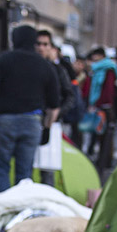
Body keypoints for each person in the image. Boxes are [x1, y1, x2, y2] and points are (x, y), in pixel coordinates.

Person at [0, 24, 59, 192]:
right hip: (32, 122)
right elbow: (54, 104)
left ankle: (4, 210)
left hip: (4, 120)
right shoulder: (45, 66)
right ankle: (21, 214)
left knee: (1, 168)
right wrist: (47, 127)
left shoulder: (5, 59)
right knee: (24, 173)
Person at [34, 30, 77, 185]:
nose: (41, 48)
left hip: (50, 124)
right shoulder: (28, 66)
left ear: (51, 47)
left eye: (45, 44)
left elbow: (70, 95)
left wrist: (56, 115)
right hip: (31, 120)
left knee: (47, 169)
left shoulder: (58, 70)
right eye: (38, 44)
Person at [81, 47, 117, 170]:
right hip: (100, 106)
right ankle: (102, 161)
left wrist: (102, 104)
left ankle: (103, 163)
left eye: (95, 57)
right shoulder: (98, 70)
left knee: (104, 136)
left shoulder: (108, 69)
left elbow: (108, 91)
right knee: (100, 135)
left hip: (105, 108)